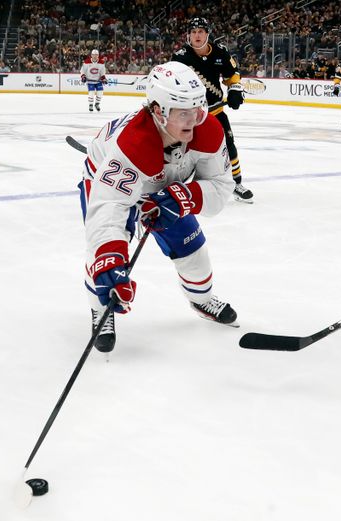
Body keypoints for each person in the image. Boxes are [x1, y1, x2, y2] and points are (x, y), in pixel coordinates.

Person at [78, 61, 238, 353]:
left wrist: (186, 195)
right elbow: (109, 206)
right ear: (157, 111)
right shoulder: (134, 143)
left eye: (198, 109)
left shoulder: (209, 130)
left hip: (162, 186)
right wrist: (110, 258)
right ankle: (102, 309)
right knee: (104, 256)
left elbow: (221, 186)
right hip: (109, 182)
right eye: (183, 112)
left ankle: (201, 299)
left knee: (193, 247)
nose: (194, 119)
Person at [172, 17, 254, 203]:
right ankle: (173, 186)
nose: (197, 35)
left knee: (229, 145)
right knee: (179, 150)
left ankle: (236, 184)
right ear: (188, 36)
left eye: (201, 31)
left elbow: (232, 75)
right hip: (189, 115)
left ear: (207, 34)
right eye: (193, 32)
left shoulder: (220, 53)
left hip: (215, 113)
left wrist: (234, 90)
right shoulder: (180, 57)